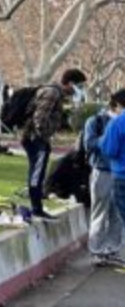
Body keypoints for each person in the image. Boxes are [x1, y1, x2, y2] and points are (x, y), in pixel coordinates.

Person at [20, 68, 86, 220]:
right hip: (35, 139)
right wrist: (42, 137)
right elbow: (39, 118)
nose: (80, 90)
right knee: (37, 174)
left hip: (37, 138)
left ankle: (37, 206)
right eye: (80, 86)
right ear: (70, 83)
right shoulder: (52, 93)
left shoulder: (57, 94)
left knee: (37, 173)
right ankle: (36, 208)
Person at [84, 92, 124, 267]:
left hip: (119, 174)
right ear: (116, 105)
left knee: (117, 215)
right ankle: (96, 249)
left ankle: (112, 249)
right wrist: (109, 138)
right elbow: (89, 143)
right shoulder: (96, 121)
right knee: (100, 212)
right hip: (103, 171)